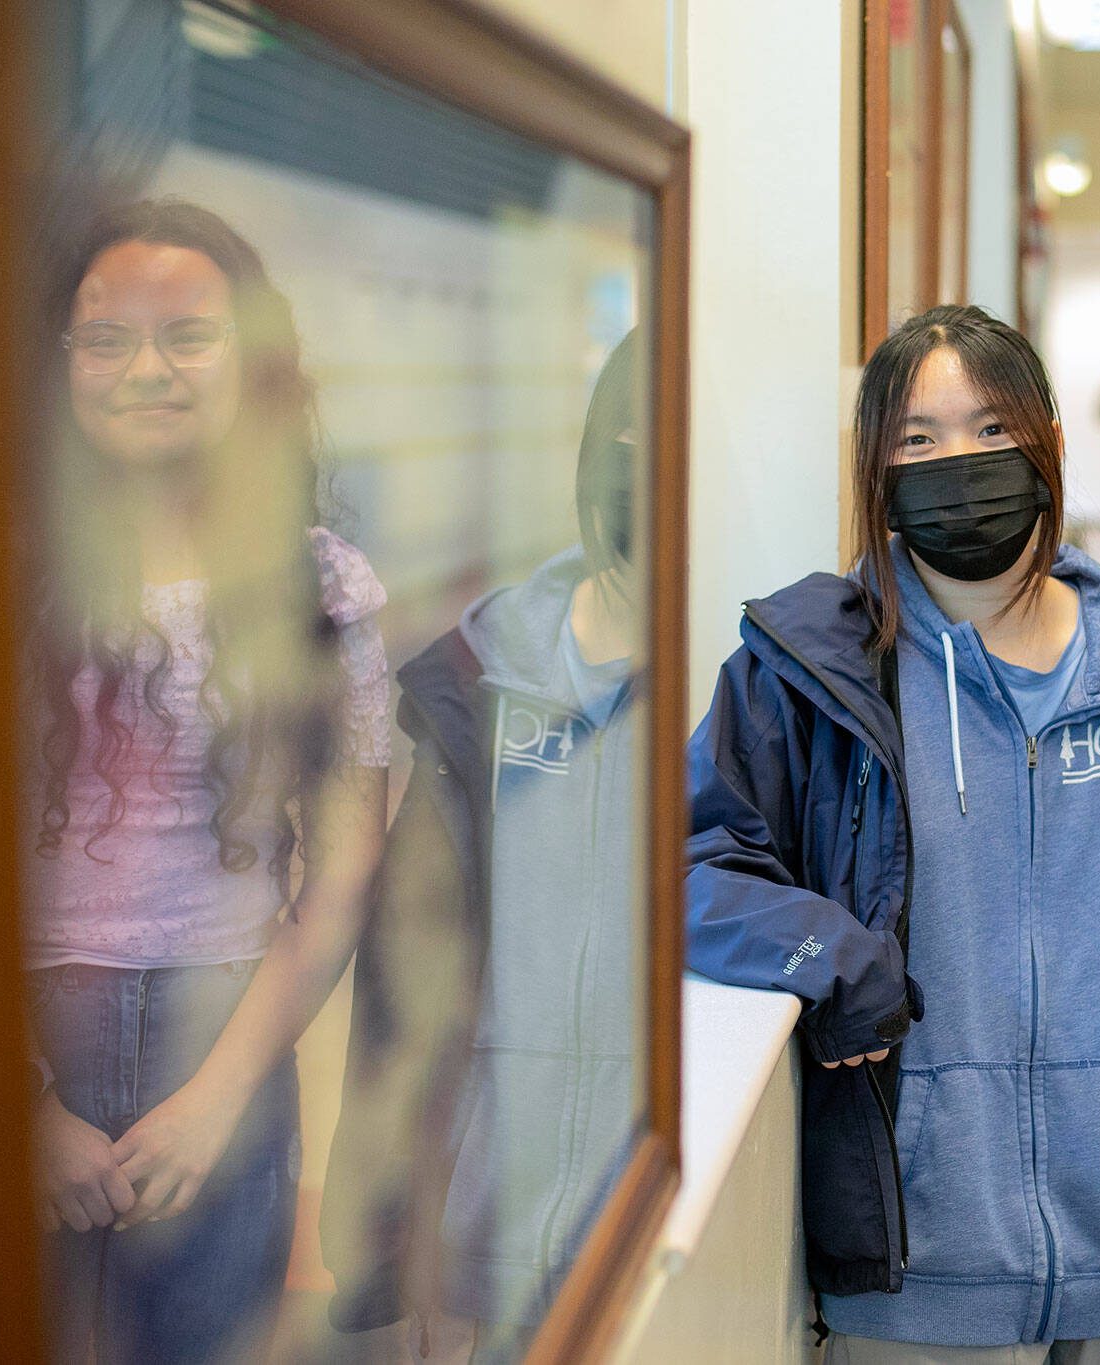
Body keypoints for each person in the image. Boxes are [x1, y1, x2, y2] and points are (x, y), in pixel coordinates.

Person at [684, 304, 1100, 1361]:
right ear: (875, 466)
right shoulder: (804, 678)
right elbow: (687, 867)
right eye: (917, 439)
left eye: (989, 429)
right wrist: (824, 952)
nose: (956, 463)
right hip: (913, 1281)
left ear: (1048, 445)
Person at [23, 198, 390, 1363]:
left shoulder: (321, 585)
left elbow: (346, 868)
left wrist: (221, 1098)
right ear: (61, 361)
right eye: (106, 338)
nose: (146, 369)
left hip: (228, 1035)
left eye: (187, 334)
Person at [320, 332, 648, 1361]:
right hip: (479, 1234)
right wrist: (385, 1238)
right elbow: (402, 989)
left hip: (672, 1212)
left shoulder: (755, 685)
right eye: (639, 434)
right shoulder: (483, 678)